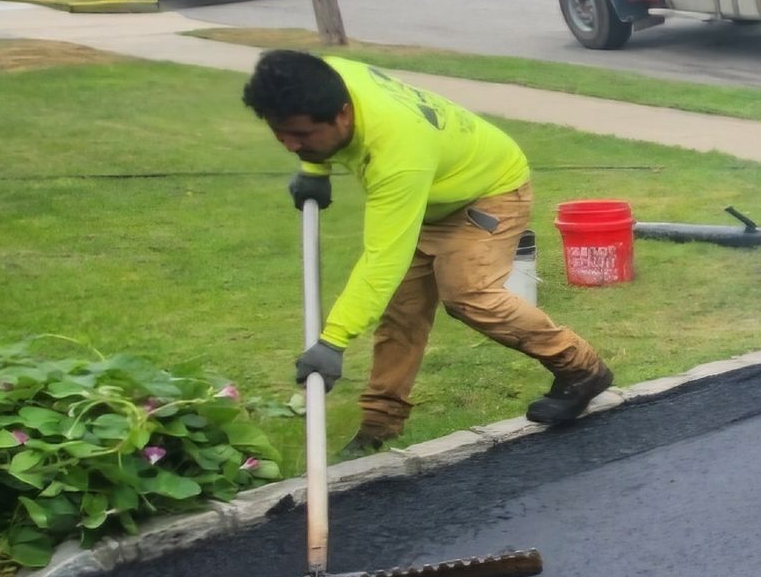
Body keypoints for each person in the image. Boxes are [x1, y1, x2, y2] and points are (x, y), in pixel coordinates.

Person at [240, 48, 611, 451]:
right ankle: (379, 425)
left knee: (468, 293)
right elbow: (386, 263)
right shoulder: (328, 76)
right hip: (431, 193)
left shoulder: (396, 154)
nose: (290, 144)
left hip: (488, 191)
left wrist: (333, 341)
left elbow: (383, 258)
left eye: (303, 136)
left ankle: (580, 368)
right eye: (280, 132)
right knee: (402, 309)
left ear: (343, 114)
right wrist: (314, 168)